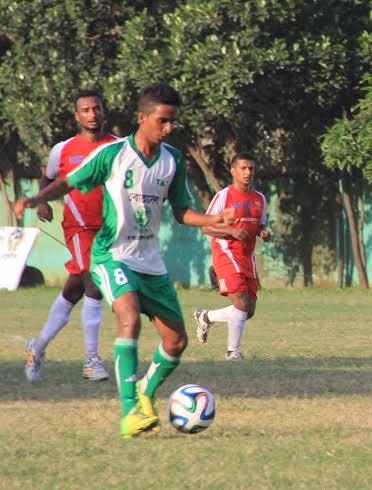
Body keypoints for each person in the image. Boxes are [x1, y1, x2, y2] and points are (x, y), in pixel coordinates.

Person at [14, 83, 236, 439]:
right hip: (111, 254)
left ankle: (146, 394)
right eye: (162, 121)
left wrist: (213, 221)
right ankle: (129, 410)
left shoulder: (172, 160)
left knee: (176, 342)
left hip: (151, 263)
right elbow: (68, 182)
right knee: (128, 317)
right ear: (141, 118)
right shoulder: (114, 154)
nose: (168, 129)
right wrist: (37, 197)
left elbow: (181, 211)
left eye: (172, 122)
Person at [25, 90, 120, 382]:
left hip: (109, 229)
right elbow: (49, 177)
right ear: (77, 115)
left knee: (74, 290)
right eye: (86, 110)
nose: (92, 114)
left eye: (97, 108)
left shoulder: (118, 147)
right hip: (78, 227)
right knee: (95, 286)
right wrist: (42, 201)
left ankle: (37, 346)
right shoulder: (63, 149)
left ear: (104, 112)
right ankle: (91, 361)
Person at [193, 153, 270, 360]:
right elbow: (206, 227)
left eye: (251, 169)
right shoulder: (224, 196)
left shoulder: (259, 199)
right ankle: (232, 352)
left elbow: (260, 223)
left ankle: (206, 316)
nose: (247, 173)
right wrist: (232, 232)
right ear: (233, 171)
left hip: (247, 256)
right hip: (226, 253)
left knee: (248, 310)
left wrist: (263, 231)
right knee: (241, 306)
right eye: (243, 168)